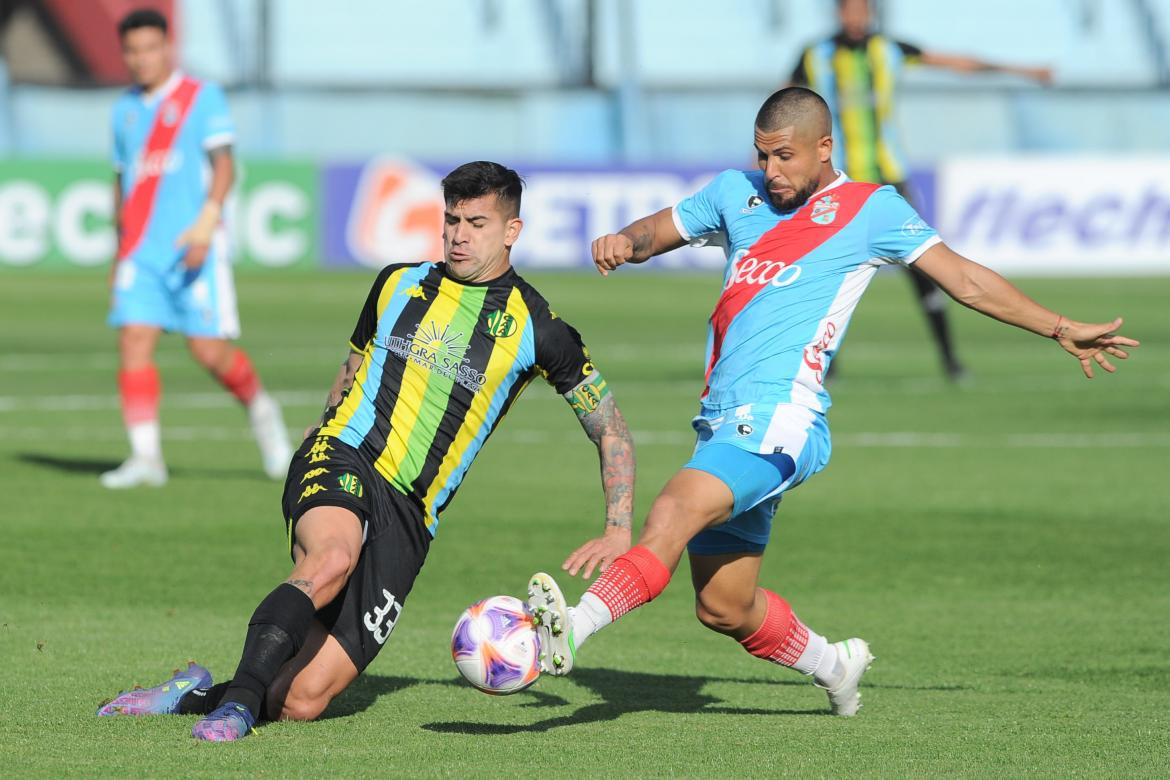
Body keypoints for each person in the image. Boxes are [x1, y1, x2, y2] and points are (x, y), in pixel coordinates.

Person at [526, 88, 1138, 717]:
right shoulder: (736, 192)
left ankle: (575, 625)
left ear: (824, 148)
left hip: (781, 420)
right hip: (722, 425)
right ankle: (835, 664)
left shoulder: (870, 209)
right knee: (724, 607)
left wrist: (1061, 326)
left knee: (673, 512)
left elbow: (968, 281)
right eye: (763, 157)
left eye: (785, 157)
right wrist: (624, 242)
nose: (772, 172)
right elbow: (658, 229)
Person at [97, 161, 636, 741]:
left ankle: (197, 693)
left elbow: (610, 429)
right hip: (347, 452)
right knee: (330, 560)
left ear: (512, 231)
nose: (458, 234)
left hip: (411, 515)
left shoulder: (538, 327)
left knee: (302, 698)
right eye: (450, 219)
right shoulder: (395, 283)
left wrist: (617, 527)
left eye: (476, 223)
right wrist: (325, 429)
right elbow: (351, 370)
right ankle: (240, 709)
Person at [788, 0, 1052, 382]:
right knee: (823, 270)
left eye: (862, 11)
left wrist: (1021, 70)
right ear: (839, 14)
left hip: (889, 178)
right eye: (849, 11)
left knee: (925, 269)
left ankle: (950, 360)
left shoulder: (889, 49)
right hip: (837, 183)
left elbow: (958, 64)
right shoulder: (815, 55)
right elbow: (784, 103)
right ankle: (825, 365)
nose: (856, 18)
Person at [101, 8, 291, 488]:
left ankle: (262, 411)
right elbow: (122, 182)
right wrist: (119, 249)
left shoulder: (201, 98)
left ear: (167, 48)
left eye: (149, 48)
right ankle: (147, 459)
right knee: (133, 340)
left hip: (193, 246)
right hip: (141, 252)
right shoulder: (123, 110)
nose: (141, 59)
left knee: (208, 351)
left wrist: (206, 226)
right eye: (132, 50)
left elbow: (224, 166)